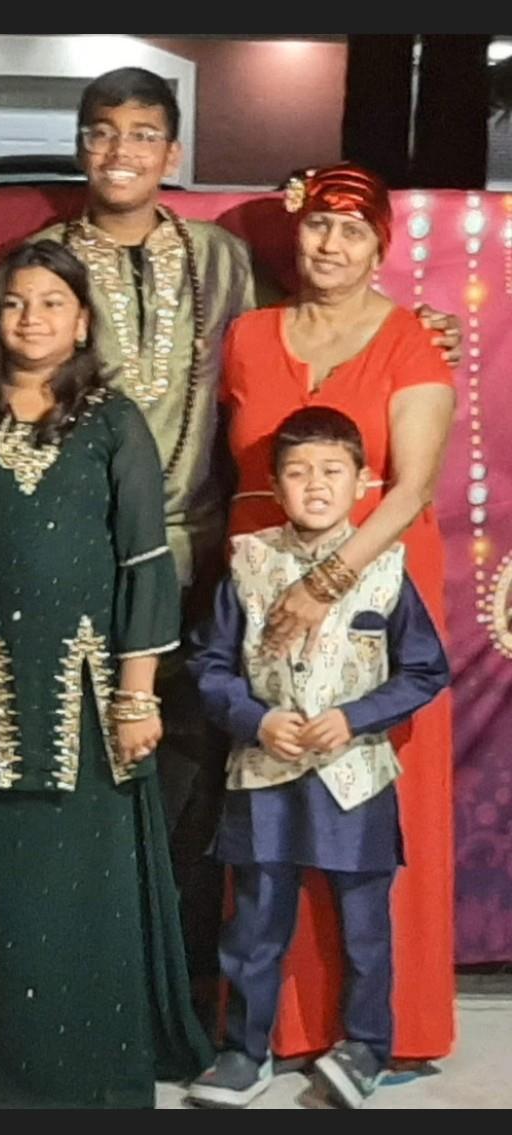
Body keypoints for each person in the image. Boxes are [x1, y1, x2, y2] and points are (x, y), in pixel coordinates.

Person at [0, 68, 462, 993]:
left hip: (215, 563)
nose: (121, 152)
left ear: (173, 151)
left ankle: (193, 994)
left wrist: (412, 325)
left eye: (143, 134)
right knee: (78, 763)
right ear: (81, 143)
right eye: (102, 132)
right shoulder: (40, 263)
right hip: (78, 556)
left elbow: (331, 333)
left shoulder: (220, 262)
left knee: (202, 785)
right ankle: (71, 986)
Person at [0, 240, 212, 1108]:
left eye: (50, 303)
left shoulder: (115, 422)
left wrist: (138, 693)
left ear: (80, 322)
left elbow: (145, 564)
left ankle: (94, 1075)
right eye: (14, 303)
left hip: (90, 698)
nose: (31, 318)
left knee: (88, 885)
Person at [218, 162, 457, 1061]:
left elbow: (414, 485)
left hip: (375, 575)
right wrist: (275, 586)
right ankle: (270, 1029)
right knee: (271, 779)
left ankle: (384, 1031)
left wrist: (326, 584)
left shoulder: (412, 341)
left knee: (371, 790)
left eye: (353, 231)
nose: (330, 244)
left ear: (380, 247)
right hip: (262, 577)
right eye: (319, 224)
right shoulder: (248, 334)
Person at [186, 407, 450, 1108]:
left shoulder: (386, 565)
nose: (315, 486)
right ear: (273, 485)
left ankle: (366, 1044)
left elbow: (425, 670)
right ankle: (245, 1051)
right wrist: (256, 718)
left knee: (364, 926)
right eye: (298, 473)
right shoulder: (247, 561)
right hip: (263, 775)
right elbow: (209, 664)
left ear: (364, 480)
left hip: (355, 777)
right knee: (255, 924)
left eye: (332, 471)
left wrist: (355, 717)